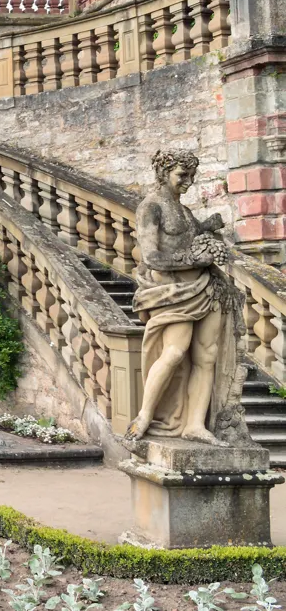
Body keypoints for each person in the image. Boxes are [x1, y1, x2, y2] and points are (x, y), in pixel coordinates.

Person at [126, 149, 237, 445]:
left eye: (191, 176)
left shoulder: (185, 211)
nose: (188, 182)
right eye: (181, 175)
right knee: (175, 353)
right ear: (163, 174)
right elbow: (152, 257)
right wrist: (194, 259)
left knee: (207, 357)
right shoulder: (151, 207)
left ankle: (195, 424)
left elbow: (187, 240)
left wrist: (207, 229)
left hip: (204, 287)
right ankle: (145, 414)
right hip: (174, 291)